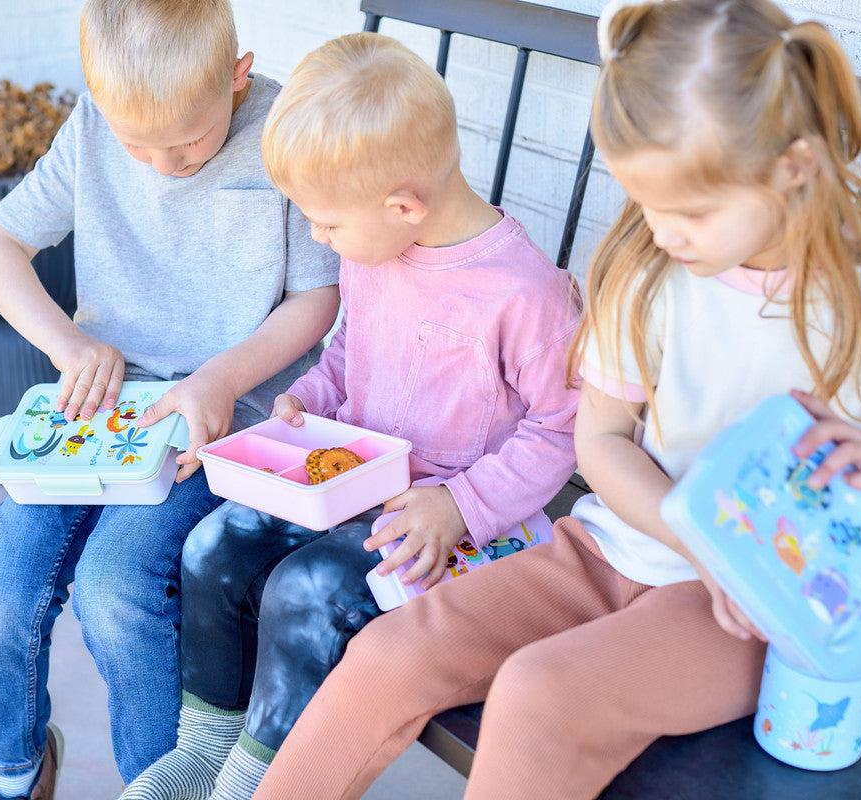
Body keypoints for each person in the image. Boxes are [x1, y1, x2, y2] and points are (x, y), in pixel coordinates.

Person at [250, 1, 861, 798]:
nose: (663, 230)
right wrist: (693, 534)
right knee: (390, 654)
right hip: (613, 550)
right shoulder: (651, 270)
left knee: (540, 694)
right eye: (647, 201)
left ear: (794, 165)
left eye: (691, 210)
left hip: (761, 602)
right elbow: (600, 441)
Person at [118, 32, 581, 800]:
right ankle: (205, 750)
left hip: (456, 529)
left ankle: (262, 778)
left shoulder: (523, 295)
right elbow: (348, 354)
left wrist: (458, 506)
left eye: (325, 223)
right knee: (213, 547)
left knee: (307, 591)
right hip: (352, 483)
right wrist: (315, 401)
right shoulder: (375, 251)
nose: (317, 238)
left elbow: (559, 429)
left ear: (402, 205)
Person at [0, 0, 341, 796]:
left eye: (188, 143)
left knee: (116, 589)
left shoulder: (280, 131)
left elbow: (318, 298)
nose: (164, 165)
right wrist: (67, 342)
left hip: (217, 421)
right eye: (140, 146)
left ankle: (157, 785)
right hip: (99, 418)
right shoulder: (94, 127)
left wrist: (223, 378)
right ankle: (14, 772)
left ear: (236, 78)